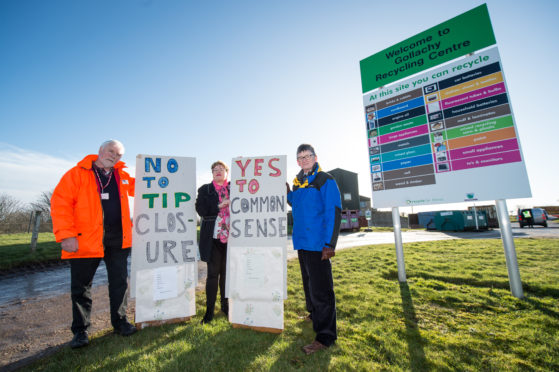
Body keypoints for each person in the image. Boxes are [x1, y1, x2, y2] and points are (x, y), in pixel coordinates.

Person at [51, 140, 137, 349]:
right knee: (81, 288)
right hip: (84, 240)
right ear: (100, 151)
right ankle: (81, 332)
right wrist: (66, 235)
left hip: (118, 239)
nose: (114, 156)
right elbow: (60, 203)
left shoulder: (124, 176)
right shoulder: (77, 174)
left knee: (119, 284)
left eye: (118, 154)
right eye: (111, 151)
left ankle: (120, 322)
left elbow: (150, 187)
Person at [287, 144, 341, 355]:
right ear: (298, 161)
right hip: (302, 242)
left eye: (307, 156)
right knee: (309, 285)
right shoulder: (298, 183)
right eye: (300, 157)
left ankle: (326, 336)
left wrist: (330, 244)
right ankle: (314, 315)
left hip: (319, 244)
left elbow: (334, 211)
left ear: (315, 157)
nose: (304, 160)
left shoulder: (325, 180)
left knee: (321, 290)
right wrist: (285, 192)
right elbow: (294, 202)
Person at [195, 161, 231, 324]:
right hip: (213, 237)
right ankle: (209, 312)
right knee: (212, 275)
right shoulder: (205, 190)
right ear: (212, 173)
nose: (218, 171)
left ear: (227, 172)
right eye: (215, 170)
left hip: (233, 237)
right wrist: (219, 206)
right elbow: (201, 210)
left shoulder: (235, 188)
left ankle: (225, 306)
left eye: (221, 169)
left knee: (226, 275)